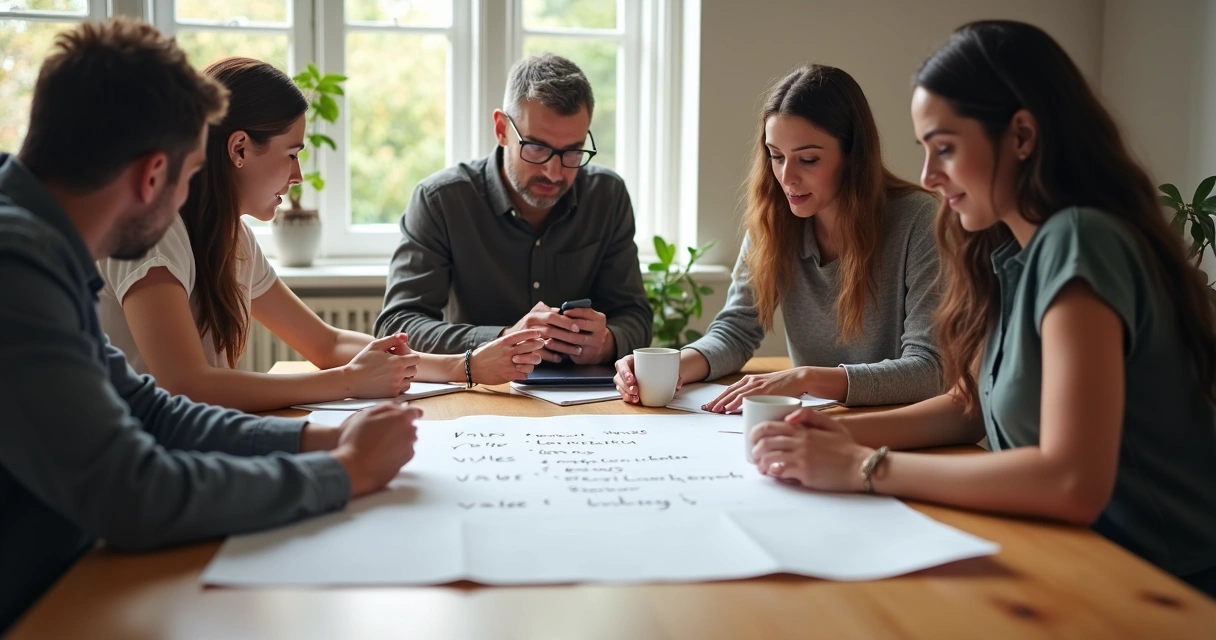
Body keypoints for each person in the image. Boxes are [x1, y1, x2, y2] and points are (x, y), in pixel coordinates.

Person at [749, 21, 1216, 598]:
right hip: (1076, 555)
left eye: (945, 147)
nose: (928, 175)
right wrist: (836, 434)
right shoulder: (1007, 247)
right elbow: (969, 408)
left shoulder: (1081, 241)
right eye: (924, 150)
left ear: (1021, 135)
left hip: (1166, 583)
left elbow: (1072, 482)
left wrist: (861, 466)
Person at [0, 19, 422, 631]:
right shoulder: (16, 267)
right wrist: (345, 472)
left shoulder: (40, 247)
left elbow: (150, 411)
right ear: (152, 176)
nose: (190, 199)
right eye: (190, 175)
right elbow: (130, 492)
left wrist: (317, 440)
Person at [97, 57, 546, 413]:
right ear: (239, 148)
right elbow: (188, 385)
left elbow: (326, 343)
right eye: (291, 154)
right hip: (130, 467)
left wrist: (465, 366)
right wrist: (348, 381)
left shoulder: (231, 237)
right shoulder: (150, 233)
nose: (297, 176)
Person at [614, 65, 942, 410]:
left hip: (899, 425)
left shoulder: (920, 222)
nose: (787, 177)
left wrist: (806, 378)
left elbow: (929, 369)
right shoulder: (775, 220)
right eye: (776, 155)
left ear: (853, 155)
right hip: (812, 424)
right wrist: (665, 368)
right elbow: (736, 332)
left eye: (808, 159)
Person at [375, 53, 652, 366]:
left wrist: (607, 342)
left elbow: (635, 316)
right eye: (537, 147)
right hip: (476, 386)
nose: (553, 172)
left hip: (583, 389)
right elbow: (397, 327)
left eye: (573, 152)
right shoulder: (441, 200)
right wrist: (503, 340)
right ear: (502, 129)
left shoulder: (607, 195)